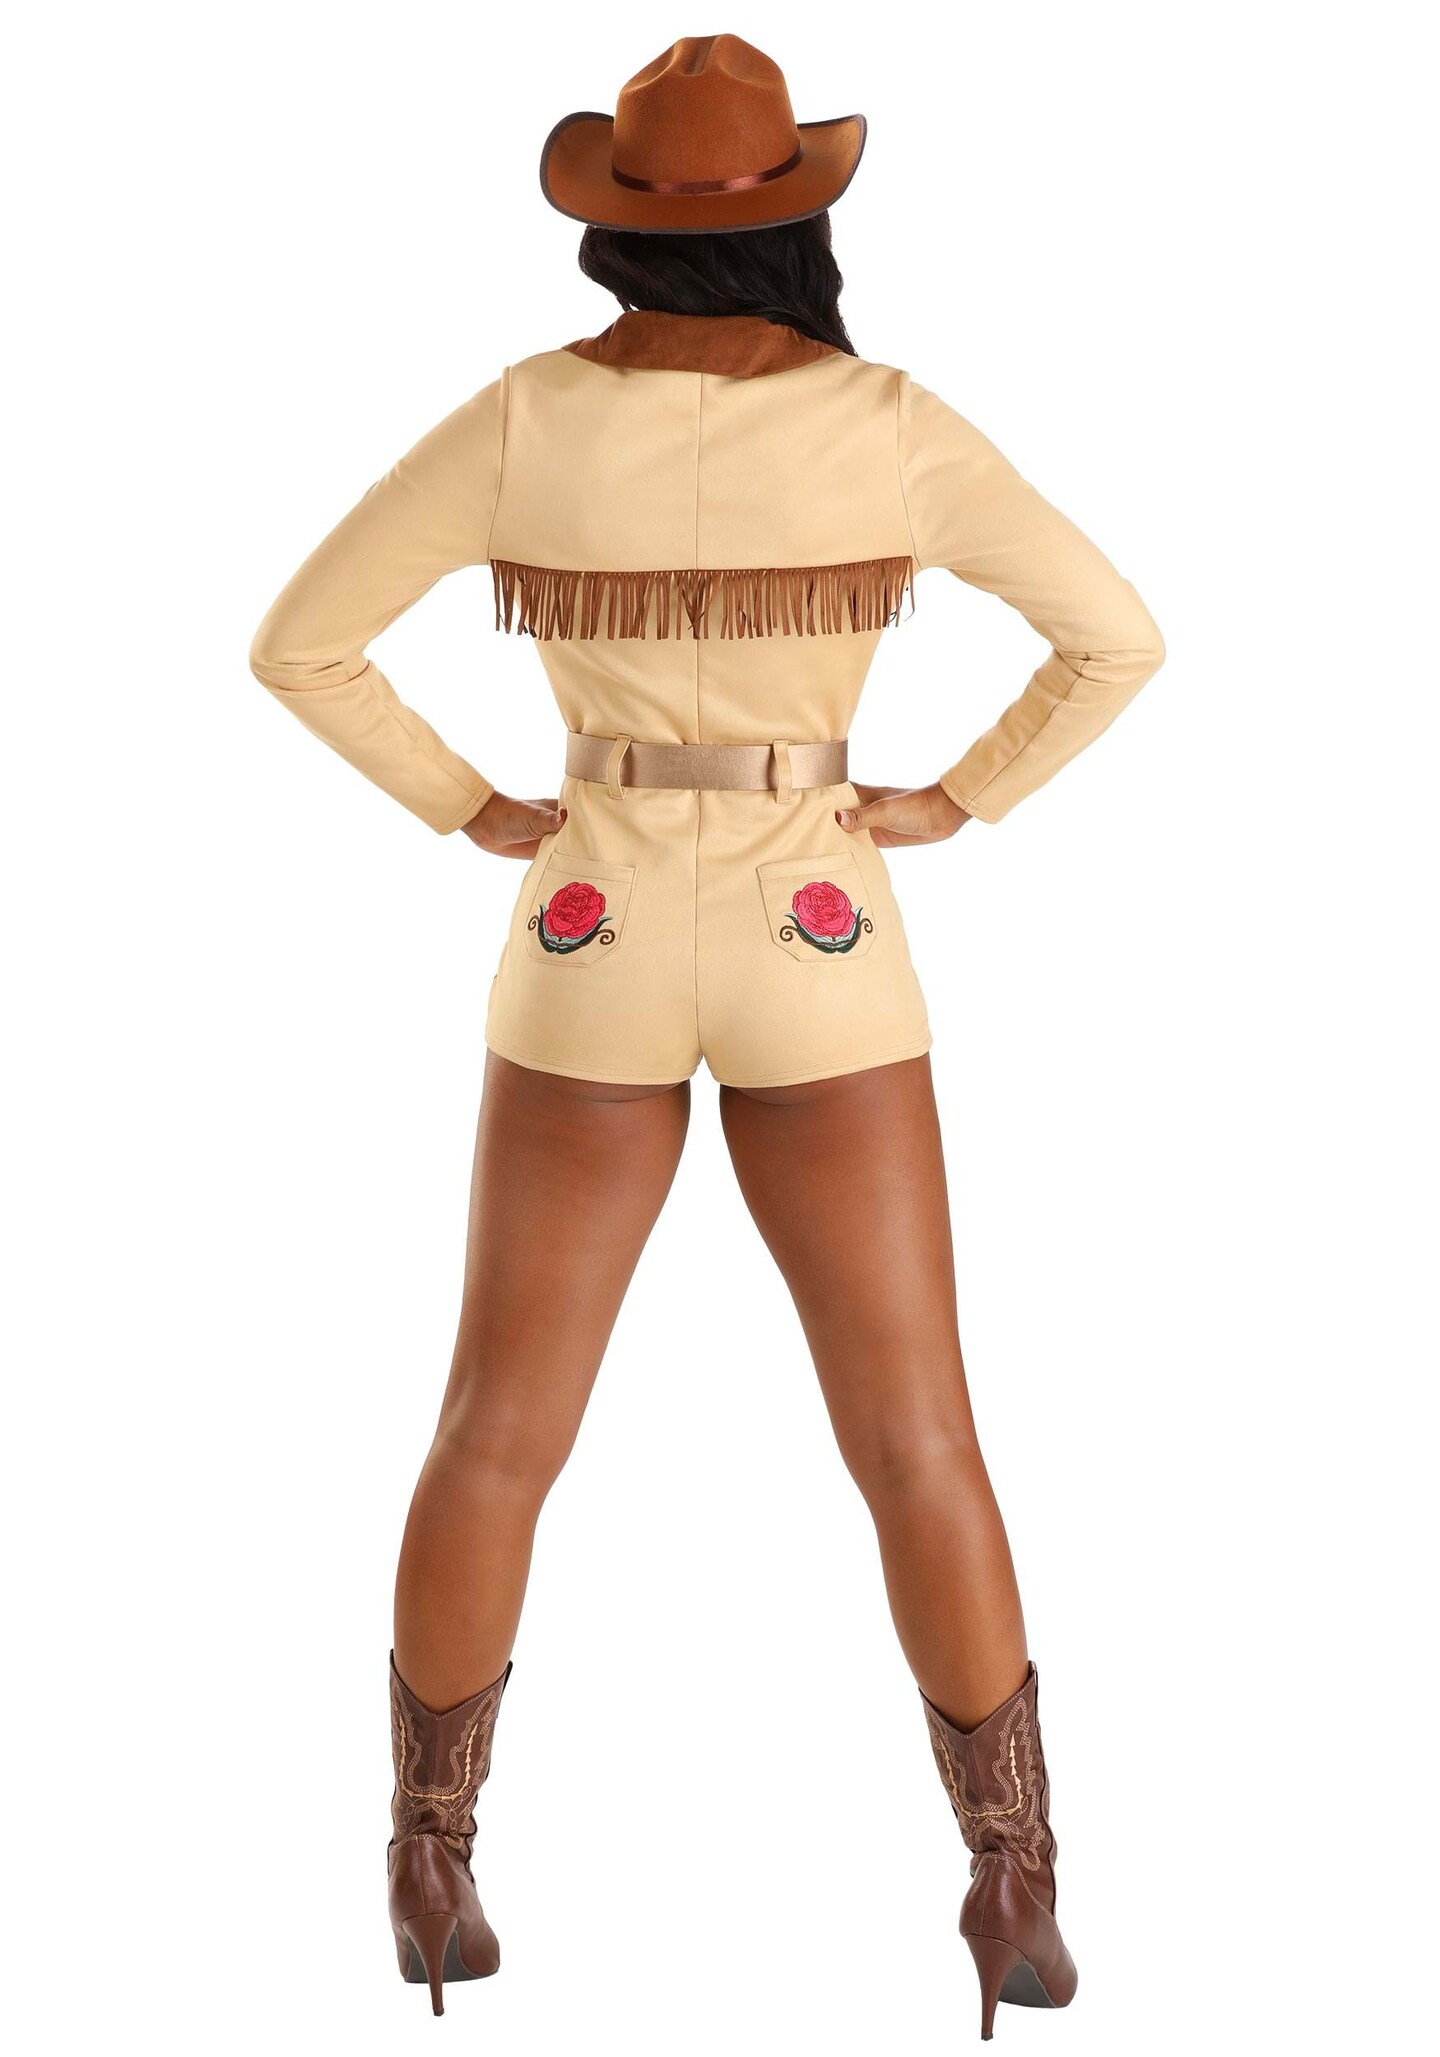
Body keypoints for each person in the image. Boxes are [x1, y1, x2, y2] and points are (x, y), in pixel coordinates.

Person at [249, 35, 1164, 2040]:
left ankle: (430, 1865)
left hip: (583, 925)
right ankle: (1012, 1885)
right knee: (918, 1434)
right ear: (800, 222)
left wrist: (467, 807)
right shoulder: (886, 424)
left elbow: (296, 643)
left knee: (497, 1429)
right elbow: (1120, 636)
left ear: (616, 231)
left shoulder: (522, 420)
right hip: (815, 926)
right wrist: (956, 799)